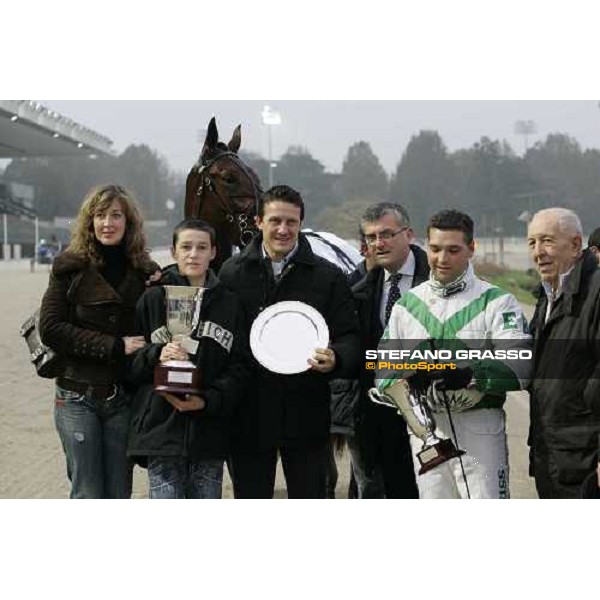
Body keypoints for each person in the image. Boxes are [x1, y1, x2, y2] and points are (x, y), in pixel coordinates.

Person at [376, 209, 532, 499]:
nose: (442, 259)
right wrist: (408, 378)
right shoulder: (406, 305)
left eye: (453, 250)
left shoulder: (498, 301)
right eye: (435, 249)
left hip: (480, 427)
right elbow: (382, 369)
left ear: (472, 249)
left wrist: (471, 374)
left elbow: (521, 366)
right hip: (425, 434)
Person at [219, 184, 360, 499]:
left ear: (301, 224)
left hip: (306, 412)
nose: (283, 229)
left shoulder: (327, 276)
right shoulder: (232, 273)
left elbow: (349, 335)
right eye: (275, 221)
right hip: (249, 414)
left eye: (291, 222)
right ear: (259, 222)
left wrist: (337, 357)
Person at [39, 184, 160, 499]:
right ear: (89, 221)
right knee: (89, 493)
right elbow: (50, 328)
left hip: (122, 398)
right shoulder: (70, 266)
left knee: (120, 493)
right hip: (76, 395)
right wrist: (115, 346)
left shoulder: (146, 271)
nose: (108, 223)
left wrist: (161, 287)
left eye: (116, 215)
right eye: (100, 215)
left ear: (128, 221)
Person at [127, 219, 250, 499]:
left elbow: (240, 368)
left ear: (214, 253)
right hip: (161, 433)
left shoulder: (230, 304)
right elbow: (129, 367)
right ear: (173, 252)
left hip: (209, 434)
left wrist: (207, 400)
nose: (193, 254)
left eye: (201, 247)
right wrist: (157, 354)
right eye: (186, 247)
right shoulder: (152, 299)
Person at [350, 202, 429, 498]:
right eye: (371, 237)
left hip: (428, 412)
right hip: (374, 417)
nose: (378, 243)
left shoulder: (436, 280)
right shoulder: (359, 290)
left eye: (386, 234)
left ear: (408, 234)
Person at [527, 208, 600, 498]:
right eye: (531, 242)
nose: (538, 252)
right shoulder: (546, 296)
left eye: (547, 241)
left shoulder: (596, 292)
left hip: (586, 462)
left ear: (575, 244)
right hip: (552, 456)